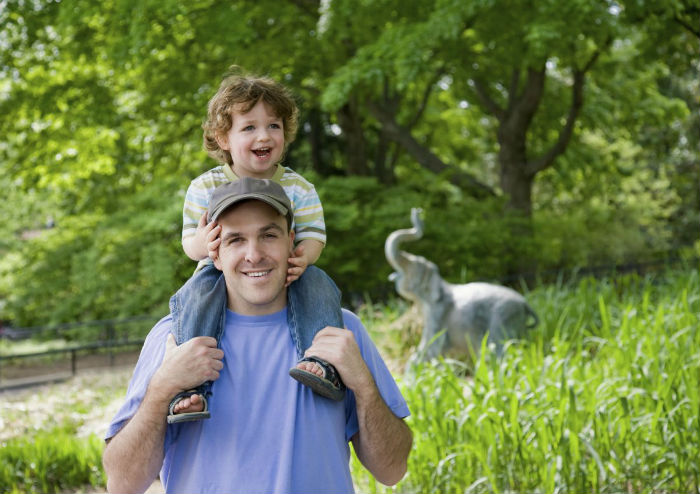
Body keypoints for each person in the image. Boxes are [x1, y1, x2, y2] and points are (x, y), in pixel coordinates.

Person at [102, 178, 413, 494]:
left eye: (268, 235)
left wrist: (362, 383)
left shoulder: (339, 331)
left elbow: (392, 470)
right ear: (216, 254)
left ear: (291, 241)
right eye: (236, 239)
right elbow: (122, 485)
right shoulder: (175, 338)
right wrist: (162, 389)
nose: (254, 254)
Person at [169, 67, 345, 422]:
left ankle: (321, 363)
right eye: (249, 127)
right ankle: (190, 387)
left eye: (273, 126)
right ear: (222, 138)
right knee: (194, 297)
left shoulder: (299, 188)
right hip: (218, 271)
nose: (263, 135)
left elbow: (314, 234)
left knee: (321, 287)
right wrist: (204, 243)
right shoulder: (206, 186)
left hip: (284, 270)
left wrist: (302, 258)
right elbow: (190, 241)